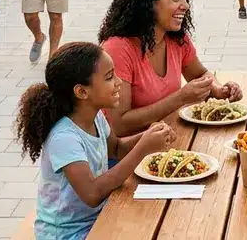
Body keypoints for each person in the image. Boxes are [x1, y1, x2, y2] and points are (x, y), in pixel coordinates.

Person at [15, 43, 176, 240]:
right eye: (109, 77)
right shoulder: (64, 138)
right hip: (67, 233)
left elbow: (116, 148)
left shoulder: (95, 116)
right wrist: (143, 148)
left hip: (96, 219)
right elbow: (92, 194)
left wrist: (149, 135)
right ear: (82, 92)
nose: (118, 82)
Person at [98, 0, 242, 136]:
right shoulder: (118, 49)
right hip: (130, 155)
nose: (185, 5)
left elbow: (200, 75)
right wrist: (180, 98)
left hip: (169, 139)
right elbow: (118, 125)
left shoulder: (176, 39)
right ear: (148, 3)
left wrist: (219, 90)